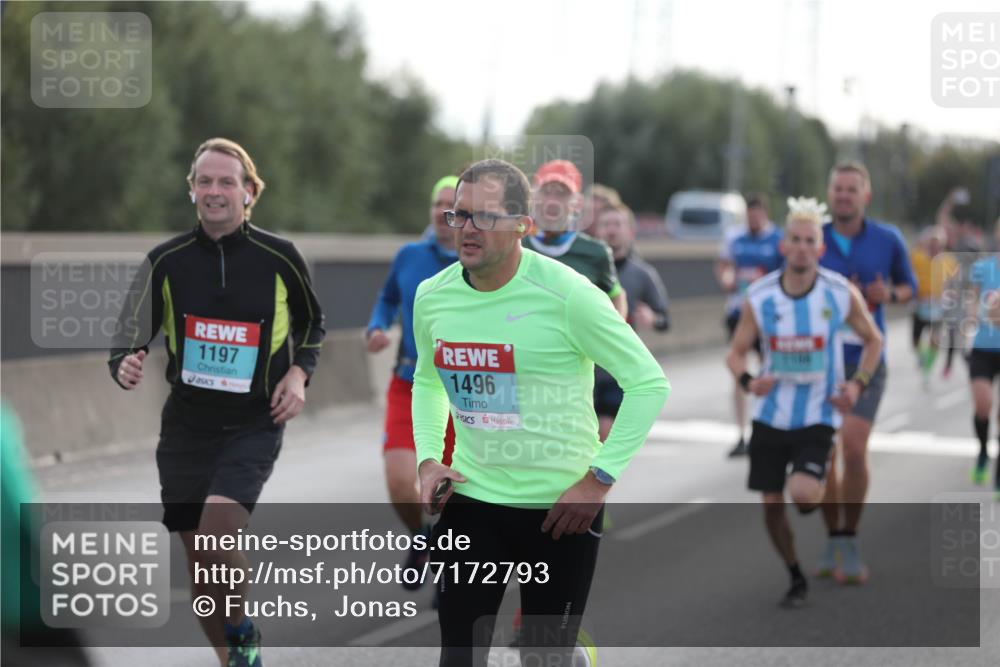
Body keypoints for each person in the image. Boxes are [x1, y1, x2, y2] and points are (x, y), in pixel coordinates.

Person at [412, 159, 670, 666]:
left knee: (541, 659)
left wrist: (598, 481)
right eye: (459, 216)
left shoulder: (569, 294)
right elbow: (428, 379)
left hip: (560, 510)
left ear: (523, 225)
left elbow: (648, 383)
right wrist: (427, 459)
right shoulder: (432, 297)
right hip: (474, 498)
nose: (466, 228)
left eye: (484, 217)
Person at [108, 138, 325, 667]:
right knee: (199, 566)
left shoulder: (280, 256)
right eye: (204, 181)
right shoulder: (166, 260)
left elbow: (313, 323)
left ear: (249, 192)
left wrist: (298, 374)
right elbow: (130, 333)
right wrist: (124, 361)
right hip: (186, 427)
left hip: (253, 422)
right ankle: (233, 657)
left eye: (227, 181)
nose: (214, 191)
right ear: (192, 192)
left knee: (215, 537)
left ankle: (241, 627)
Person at [727, 197, 882, 608]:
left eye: (808, 240)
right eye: (793, 239)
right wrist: (748, 380)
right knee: (772, 505)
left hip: (818, 411)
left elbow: (873, 340)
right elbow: (736, 351)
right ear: (783, 246)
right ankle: (795, 574)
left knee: (803, 495)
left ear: (820, 248)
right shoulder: (759, 296)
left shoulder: (838, 292)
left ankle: (819, 493)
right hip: (771, 414)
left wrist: (856, 386)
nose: (800, 246)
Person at [816, 161, 916, 584]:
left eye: (851, 189)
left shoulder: (887, 239)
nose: (843, 196)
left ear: (865, 195)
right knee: (825, 456)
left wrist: (888, 293)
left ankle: (850, 538)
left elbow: (910, 287)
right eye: (837, 189)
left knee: (853, 448)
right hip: (819, 362)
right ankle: (834, 538)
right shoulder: (812, 238)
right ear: (829, 193)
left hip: (867, 359)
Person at [366, 175, 459, 591]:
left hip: (464, 393)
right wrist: (377, 326)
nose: (443, 213)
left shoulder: (483, 262)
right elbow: (387, 298)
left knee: (455, 492)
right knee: (401, 481)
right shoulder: (409, 255)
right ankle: (424, 537)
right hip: (409, 382)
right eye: (436, 204)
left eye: (452, 205)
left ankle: (451, 576)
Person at [592, 201, 671, 441]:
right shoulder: (582, 271)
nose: (612, 230)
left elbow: (665, 319)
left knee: (603, 433)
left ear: (629, 232)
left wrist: (652, 318)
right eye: (606, 224)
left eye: (617, 224)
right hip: (581, 368)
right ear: (597, 231)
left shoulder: (642, 274)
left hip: (617, 370)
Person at [715, 194, 784, 456]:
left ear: (764, 214)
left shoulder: (778, 239)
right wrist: (727, 278)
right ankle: (741, 433)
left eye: (757, 216)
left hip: (769, 317)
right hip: (738, 312)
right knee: (738, 370)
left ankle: (770, 426)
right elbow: (723, 265)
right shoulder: (735, 237)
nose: (752, 220)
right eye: (749, 215)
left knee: (770, 371)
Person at [524, 160, 628, 318]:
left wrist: (613, 334)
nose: (552, 201)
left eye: (562, 194)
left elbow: (616, 296)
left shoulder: (596, 252)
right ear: (533, 197)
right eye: (546, 192)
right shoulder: (512, 245)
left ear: (577, 203)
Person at [964, 221, 1000, 495]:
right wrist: (975, 313)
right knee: (983, 405)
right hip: (984, 348)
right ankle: (983, 451)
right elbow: (972, 300)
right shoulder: (983, 268)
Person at [909, 226, 957, 385]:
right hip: (920, 302)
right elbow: (906, 273)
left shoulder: (948, 261)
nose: (935, 246)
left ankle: (927, 369)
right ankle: (921, 357)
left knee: (935, 339)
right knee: (915, 339)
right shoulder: (916, 257)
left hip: (938, 305)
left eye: (938, 243)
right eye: (932, 242)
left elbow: (954, 283)